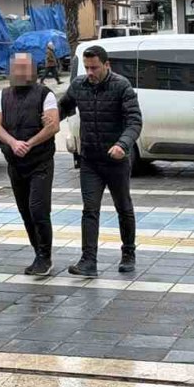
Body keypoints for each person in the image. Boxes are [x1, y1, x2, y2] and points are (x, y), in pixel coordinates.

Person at [58, 45, 143, 277]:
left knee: (123, 207)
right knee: (90, 210)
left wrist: (122, 145)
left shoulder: (121, 86)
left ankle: (128, 253)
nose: (90, 72)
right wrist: (47, 118)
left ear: (107, 65)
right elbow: (63, 107)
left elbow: (134, 121)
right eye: (87, 68)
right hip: (90, 161)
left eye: (94, 68)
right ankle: (88, 261)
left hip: (116, 160)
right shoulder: (79, 85)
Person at [0, 52, 60, 277]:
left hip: (40, 162)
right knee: (25, 211)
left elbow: (53, 126)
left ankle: (45, 256)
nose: (20, 72)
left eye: (24, 68)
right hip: (15, 163)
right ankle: (37, 253)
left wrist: (29, 143)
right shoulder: (4, 95)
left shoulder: (44, 94)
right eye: (16, 68)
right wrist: (13, 143)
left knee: (38, 209)